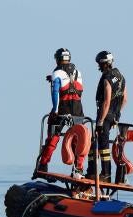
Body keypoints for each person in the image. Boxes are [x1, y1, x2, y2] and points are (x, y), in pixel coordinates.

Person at [37, 48, 84, 175]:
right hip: (78, 109)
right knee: (79, 139)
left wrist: (55, 110)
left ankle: (43, 165)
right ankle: (78, 169)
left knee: (53, 137)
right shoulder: (78, 72)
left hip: (63, 108)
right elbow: (76, 88)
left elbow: (55, 93)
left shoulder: (57, 73)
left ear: (57, 59)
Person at [86, 51, 128, 182]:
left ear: (104, 64)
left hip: (105, 115)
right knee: (95, 143)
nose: (98, 66)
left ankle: (105, 174)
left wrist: (100, 121)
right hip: (114, 115)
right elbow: (125, 99)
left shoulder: (107, 78)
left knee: (103, 145)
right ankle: (92, 171)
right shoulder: (121, 76)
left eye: (99, 64)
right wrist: (116, 115)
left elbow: (106, 101)